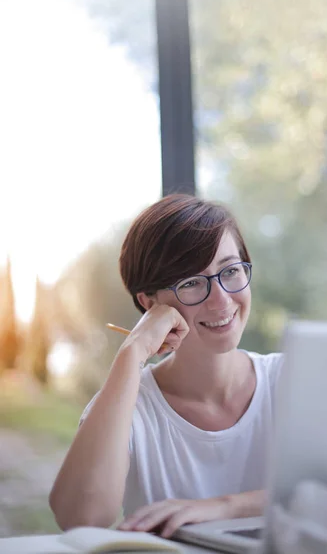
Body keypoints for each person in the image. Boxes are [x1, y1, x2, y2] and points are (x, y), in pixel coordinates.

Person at [49, 193, 282, 538]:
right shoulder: (128, 404)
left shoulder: (290, 379)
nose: (221, 300)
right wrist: (132, 352)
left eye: (230, 271)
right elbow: (80, 518)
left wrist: (222, 507)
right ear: (149, 302)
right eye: (190, 282)